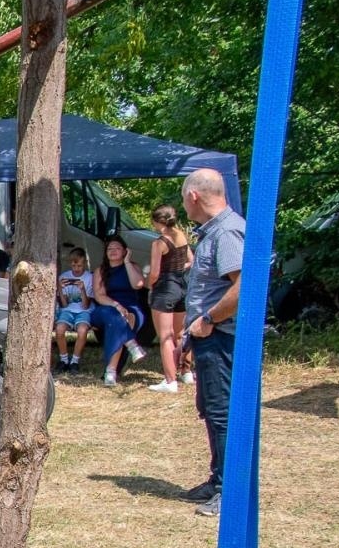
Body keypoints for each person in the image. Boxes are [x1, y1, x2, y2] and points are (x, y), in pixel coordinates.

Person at [178, 167, 244, 517]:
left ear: (193, 196)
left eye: (184, 200)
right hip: (207, 336)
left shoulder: (227, 231)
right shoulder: (213, 232)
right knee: (212, 409)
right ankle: (217, 479)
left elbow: (242, 285)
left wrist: (208, 320)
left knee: (223, 413)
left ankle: (229, 491)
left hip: (220, 336)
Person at [145, 205, 193, 393]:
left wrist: (149, 284)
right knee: (181, 333)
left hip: (164, 288)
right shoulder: (181, 235)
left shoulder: (159, 243)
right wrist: (179, 270)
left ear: (156, 222)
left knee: (166, 336)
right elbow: (191, 260)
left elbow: (155, 272)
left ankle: (170, 380)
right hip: (182, 285)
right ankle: (186, 371)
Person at [90, 235, 149, 387]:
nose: (113, 251)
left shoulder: (132, 266)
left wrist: (127, 262)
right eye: (109, 249)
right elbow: (99, 296)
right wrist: (116, 305)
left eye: (117, 248)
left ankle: (111, 372)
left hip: (131, 308)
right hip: (106, 307)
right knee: (116, 317)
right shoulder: (100, 270)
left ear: (125, 251)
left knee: (118, 322)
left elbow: (138, 285)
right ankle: (132, 345)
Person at [55, 247, 95, 371]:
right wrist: (60, 289)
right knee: (59, 329)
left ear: (85, 264)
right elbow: (64, 305)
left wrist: (82, 289)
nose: (77, 269)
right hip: (67, 310)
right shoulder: (64, 277)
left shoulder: (89, 278)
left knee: (82, 331)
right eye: (74, 266)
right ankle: (64, 360)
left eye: (80, 266)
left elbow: (85, 305)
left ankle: (75, 361)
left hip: (83, 311)